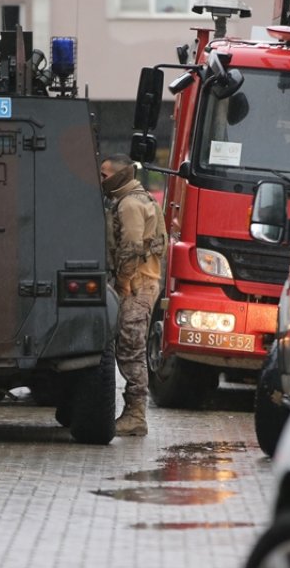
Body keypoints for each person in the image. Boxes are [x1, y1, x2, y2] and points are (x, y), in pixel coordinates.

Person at [99, 154, 166, 436]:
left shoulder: (128, 204)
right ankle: (133, 412)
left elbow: (131, 247)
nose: (101, 180)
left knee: (130, 347)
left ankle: (136, 414)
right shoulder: (139, 198)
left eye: (104, 175)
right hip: (142, 282)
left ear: (118, 175)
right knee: (130, 346)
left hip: (137, 285)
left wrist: (122, 284)